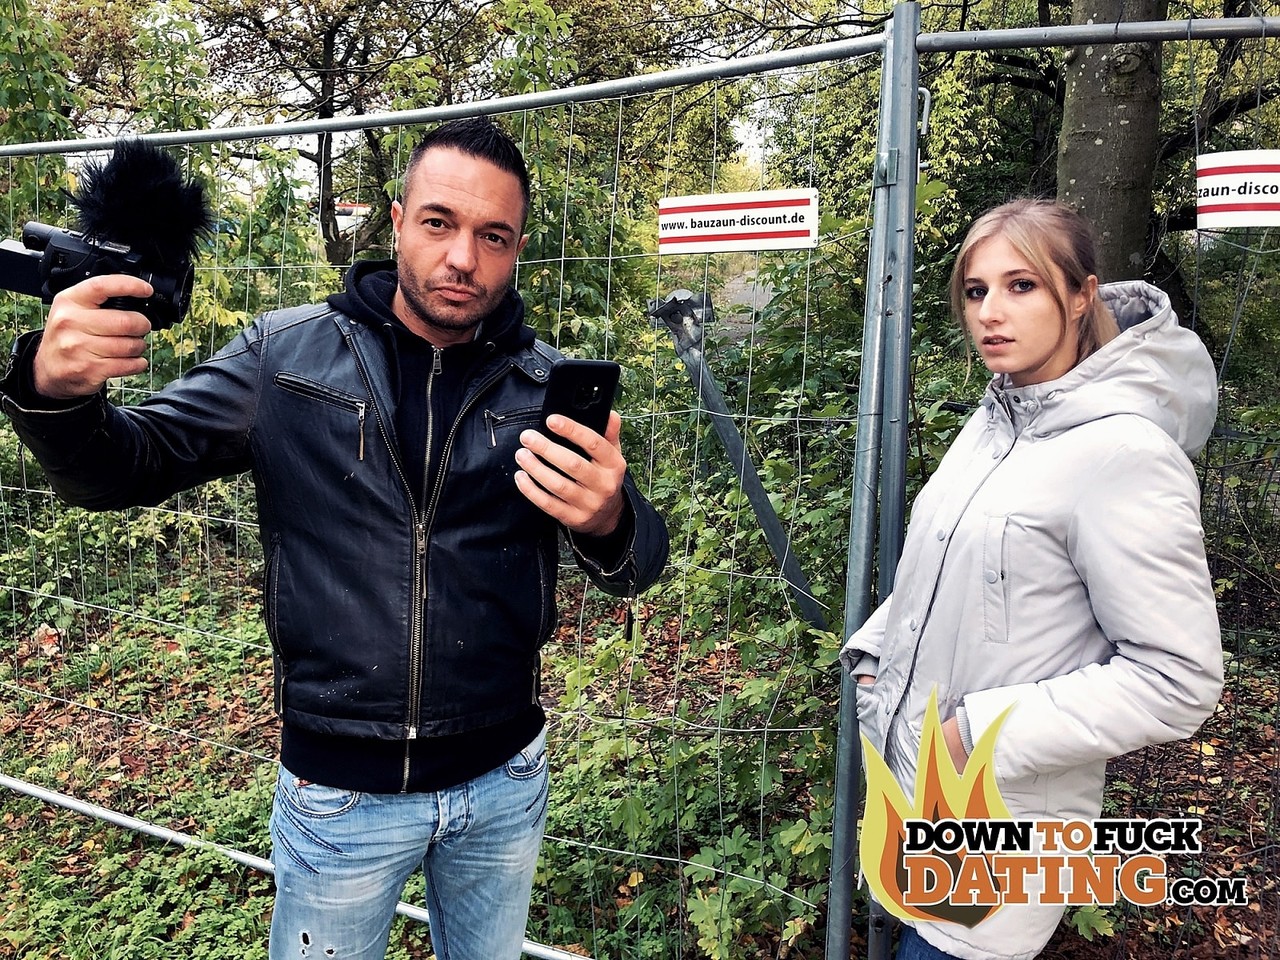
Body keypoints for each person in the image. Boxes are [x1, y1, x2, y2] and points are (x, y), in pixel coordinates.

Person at [0, 117, 669, 960]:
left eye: (493, 236)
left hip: (504, 782)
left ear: (518, 249)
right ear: (397, 222)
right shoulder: (282, 360)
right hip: (341, 795)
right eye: (438, 222)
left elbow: (639, 564)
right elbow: (120, 470)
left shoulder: (543, 387)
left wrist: (610, 519)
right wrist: (54, 393)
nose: (463, 258)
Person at [841, 199, 1223, 960]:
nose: (990, 312)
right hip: (916, 810)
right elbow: (948, 570)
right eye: (976, 290)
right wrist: (875, 656)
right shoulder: (995, 423)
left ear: (1081, 296)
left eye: (1022, 286)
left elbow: (1179, 679)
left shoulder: (1125, 455)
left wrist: (973, 735)